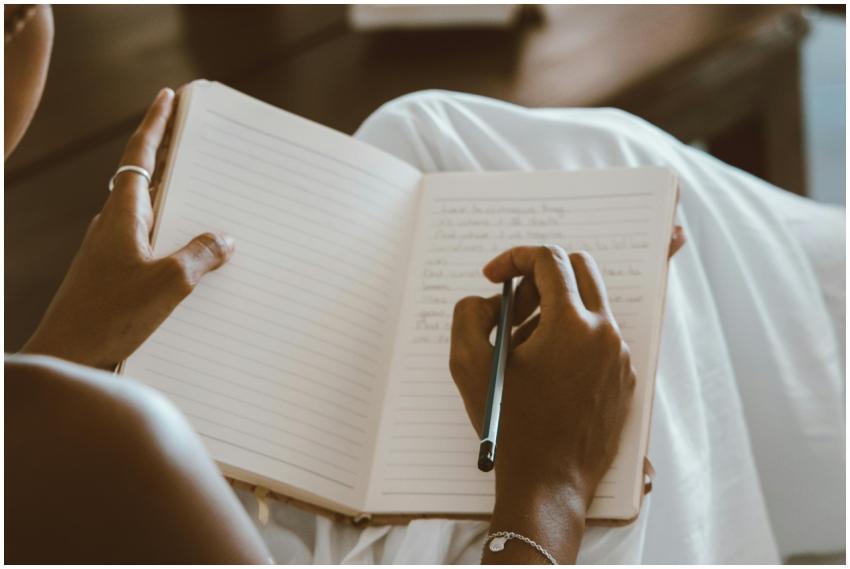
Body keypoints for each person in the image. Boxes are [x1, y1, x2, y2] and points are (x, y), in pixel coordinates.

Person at [6, 5, 844, 564]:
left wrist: (62, 349)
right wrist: (550, 486)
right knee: (618, 317)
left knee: (428, 136)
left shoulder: (54, 408)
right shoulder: (111, 440)